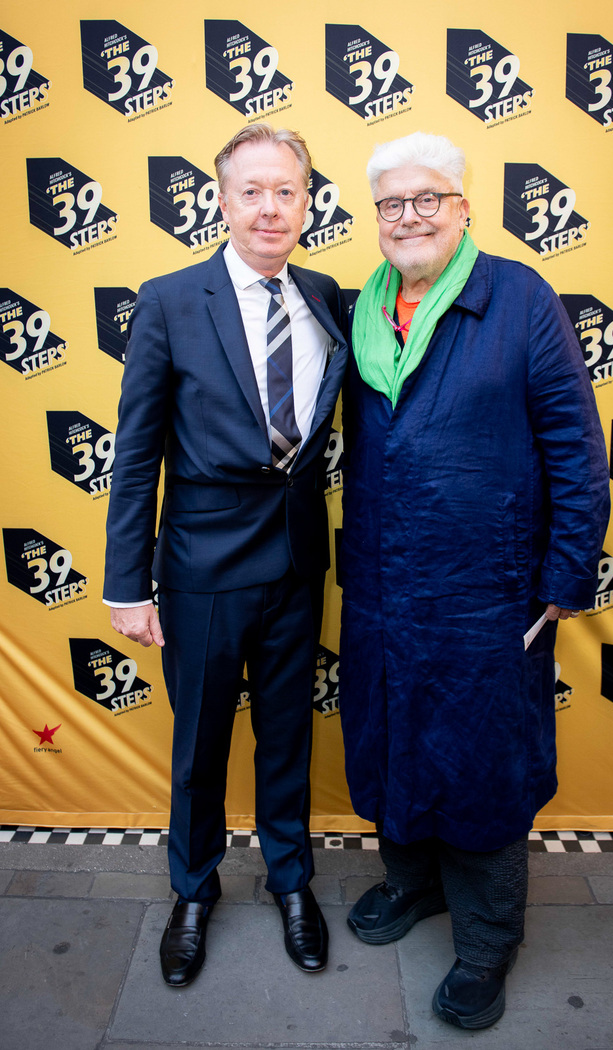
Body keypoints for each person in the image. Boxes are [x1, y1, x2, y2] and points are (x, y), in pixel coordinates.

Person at [339, 132, 610, 1031]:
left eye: (428, 200)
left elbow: (576, 450)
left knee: (484, 766)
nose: (409, 217)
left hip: (487, 594)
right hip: (384, 587)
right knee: (392, 743)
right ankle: (415, 885)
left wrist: (565, 579)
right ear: (376, 219)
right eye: (392, 204)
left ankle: (490, 940)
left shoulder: (521, 299)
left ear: (463, 208)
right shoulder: (364, 311)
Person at [103, 123, 347, 986]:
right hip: (201, 569)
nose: (271, 207)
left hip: (296, 561)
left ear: (308, 201)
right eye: (253, 191)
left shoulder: (327, 295)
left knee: (286, 738)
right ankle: (194, 890)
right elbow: (135, 454)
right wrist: (126, 586)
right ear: (223, 198)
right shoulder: (170, 299)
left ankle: (290, 883)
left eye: (287, 190)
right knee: (201, 745)